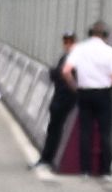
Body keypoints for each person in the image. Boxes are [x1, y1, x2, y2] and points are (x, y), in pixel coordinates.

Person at [62, 21, 112, 179]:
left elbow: (66, 71)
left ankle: (85, 170)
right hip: (104, 94)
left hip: (84, 93)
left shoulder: (79, 49)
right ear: (106, 36)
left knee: (85, 132)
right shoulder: (110, 52)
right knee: (105, 133)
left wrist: (75, 86)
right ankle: (106, 170)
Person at [30, 31, 77, 180]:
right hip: (63, 97)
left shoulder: (74, 58)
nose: (67, 44)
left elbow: (57, 74)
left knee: (55, 129)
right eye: (66, 41)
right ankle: (49, 158)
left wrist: (58, 74)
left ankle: (48, 158)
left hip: (66, 99)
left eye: (70, 41)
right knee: (54, 129)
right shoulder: (68, 57)